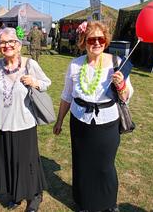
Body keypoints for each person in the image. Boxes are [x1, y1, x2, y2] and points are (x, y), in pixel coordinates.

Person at [53, 21, 134, 212]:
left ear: (106, 41)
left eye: (101, 38)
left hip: (107, 122)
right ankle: (84, 203)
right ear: (84, 41)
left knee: (105, 166)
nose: (96, 42)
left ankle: (108, 204)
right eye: (91, 39)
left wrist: (121, 85)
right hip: (79, 121)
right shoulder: (75, 65)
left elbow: (126, 97)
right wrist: (59, 121)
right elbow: (67, 95)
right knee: (82, 164)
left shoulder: (117, 62)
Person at [0, 27, 50, 212]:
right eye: (2, 42)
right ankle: (16, 193)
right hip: (2, 122)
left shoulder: (30, 64)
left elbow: (47, 84)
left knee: (27, 162)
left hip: (24, 123)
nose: (6, 45)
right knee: (9, 161)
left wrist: (35, 82)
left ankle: (35, 196)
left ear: (18, 45)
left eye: (10, 42)